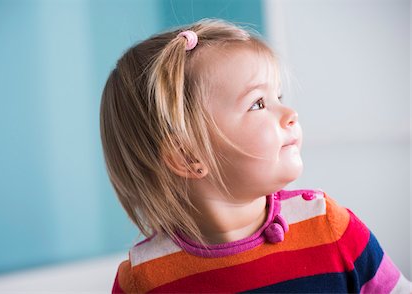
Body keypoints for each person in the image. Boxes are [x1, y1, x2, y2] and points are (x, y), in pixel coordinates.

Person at [100, 18, 410, 293]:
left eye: (278, 96)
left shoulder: (329, 226)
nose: (290, 113)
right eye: (258, 103)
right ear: (187, 155)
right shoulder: (144, 281)